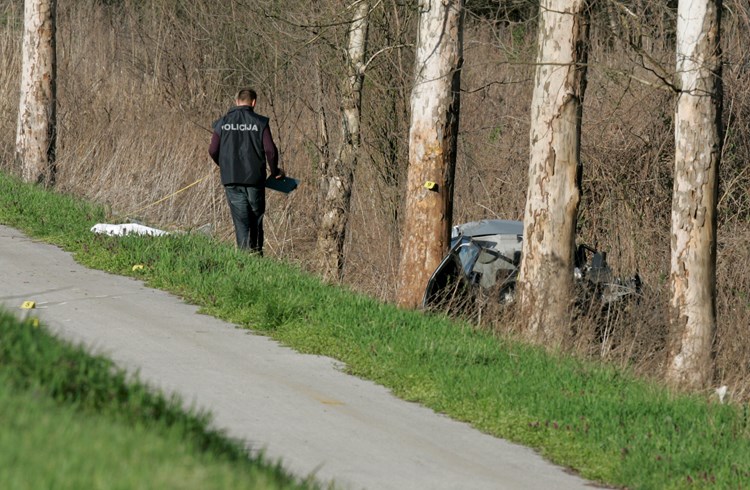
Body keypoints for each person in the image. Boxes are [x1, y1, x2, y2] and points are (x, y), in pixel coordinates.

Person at [209, 89, 284, 255]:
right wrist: (275, 171)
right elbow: (270, 151)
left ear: (236, 102)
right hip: (255, 180)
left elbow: (213, 150)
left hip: (232, 179)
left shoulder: (222, 122)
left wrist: (225, 165)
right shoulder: (260, 122)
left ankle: (244, 257)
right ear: (254, 102)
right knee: (256, 218)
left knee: (241, 221)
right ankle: (256, 254)